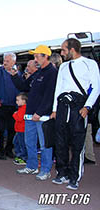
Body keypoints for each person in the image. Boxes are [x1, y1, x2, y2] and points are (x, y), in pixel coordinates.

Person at [50, 38, 100, 190]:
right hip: (62, 107)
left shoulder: (90, 64)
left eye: (64, 50)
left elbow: (96, 87)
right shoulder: (63, 67)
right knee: (60, 142)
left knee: (78, 144)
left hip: (79, 107)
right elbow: (58, 89)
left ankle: (74, 177)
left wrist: (87, 107)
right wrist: (54, 109)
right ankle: (62, 173)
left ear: (72, 50)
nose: (61, 53)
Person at [15, 45, 57, 181]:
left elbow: (49, 95)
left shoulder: (52, 72)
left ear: (45, 56)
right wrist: (14, 75)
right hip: (30, 114)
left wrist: (39, 113)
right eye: (34, 56)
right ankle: (32, 166)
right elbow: (24, 86)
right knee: (29, 142)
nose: (35, 59)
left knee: (45, 144)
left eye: (37, 56)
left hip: (42, 116)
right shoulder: (38, 72)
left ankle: (45, 170)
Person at [13, 92, 28, 166]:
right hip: (19, 129)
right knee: (16, 142)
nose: (16, 102)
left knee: (21, 144)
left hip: (21, 130)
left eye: (18, 100)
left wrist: (14, 114)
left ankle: (23, 157)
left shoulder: (23, 108)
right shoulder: (21, 108)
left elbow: (19, 118)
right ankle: (20, 155)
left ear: (24, 101)